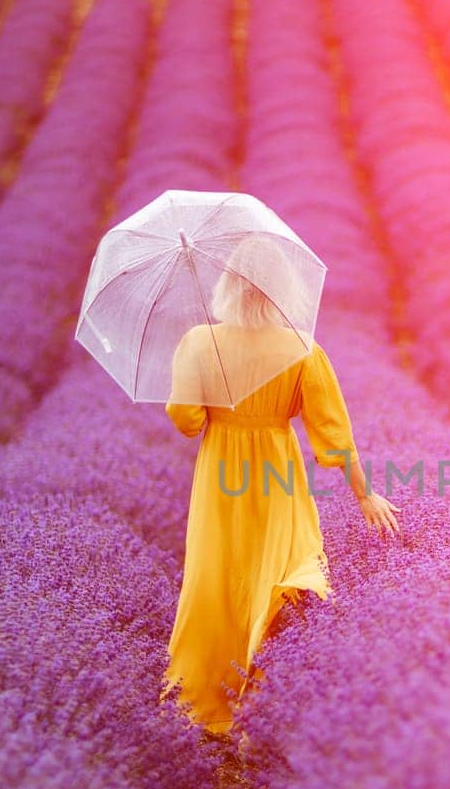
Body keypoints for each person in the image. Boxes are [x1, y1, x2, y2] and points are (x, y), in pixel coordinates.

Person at [159, 255, 400, 737]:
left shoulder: (198, 343)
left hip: (220, 476)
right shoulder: (303, 349)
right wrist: (365, 496)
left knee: (217, 578)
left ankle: (204, 705)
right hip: (276, 473)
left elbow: (186, 421)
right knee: (287, 569)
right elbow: (334, 435)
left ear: (229, 287)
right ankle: (267, 701)